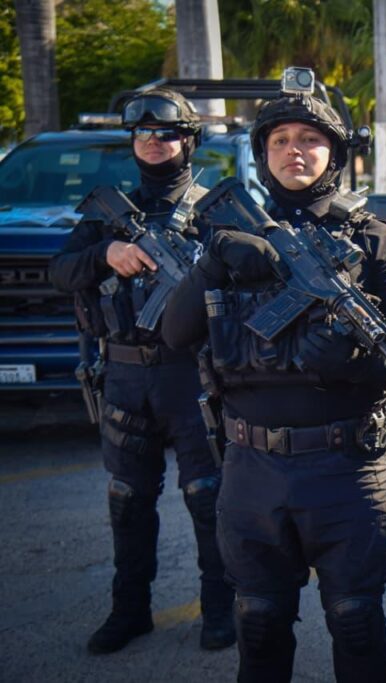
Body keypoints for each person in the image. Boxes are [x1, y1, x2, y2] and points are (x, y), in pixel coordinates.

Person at [162, 79, 386, 683]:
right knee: (258, 623)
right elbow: (175, 335)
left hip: (347, 470)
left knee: (356, 621)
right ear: (263, 154)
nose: (295, 150)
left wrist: (360, 358)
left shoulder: (374, 239)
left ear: (333, 153)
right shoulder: (223, 232)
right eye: (280, 139)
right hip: (250, 469)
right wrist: (211, 264)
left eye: (310, 139)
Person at [49, 88, 235, 654]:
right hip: (126, 377)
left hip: (192, 375)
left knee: (207, 496)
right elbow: (60, 271)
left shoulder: (216, 212)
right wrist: (105, 255)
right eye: (143, 133)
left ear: (189, 140)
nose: (154, 142)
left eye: (167, 133)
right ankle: (129, 611)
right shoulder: (109, 215)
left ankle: (220, 612)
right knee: (127, 499)